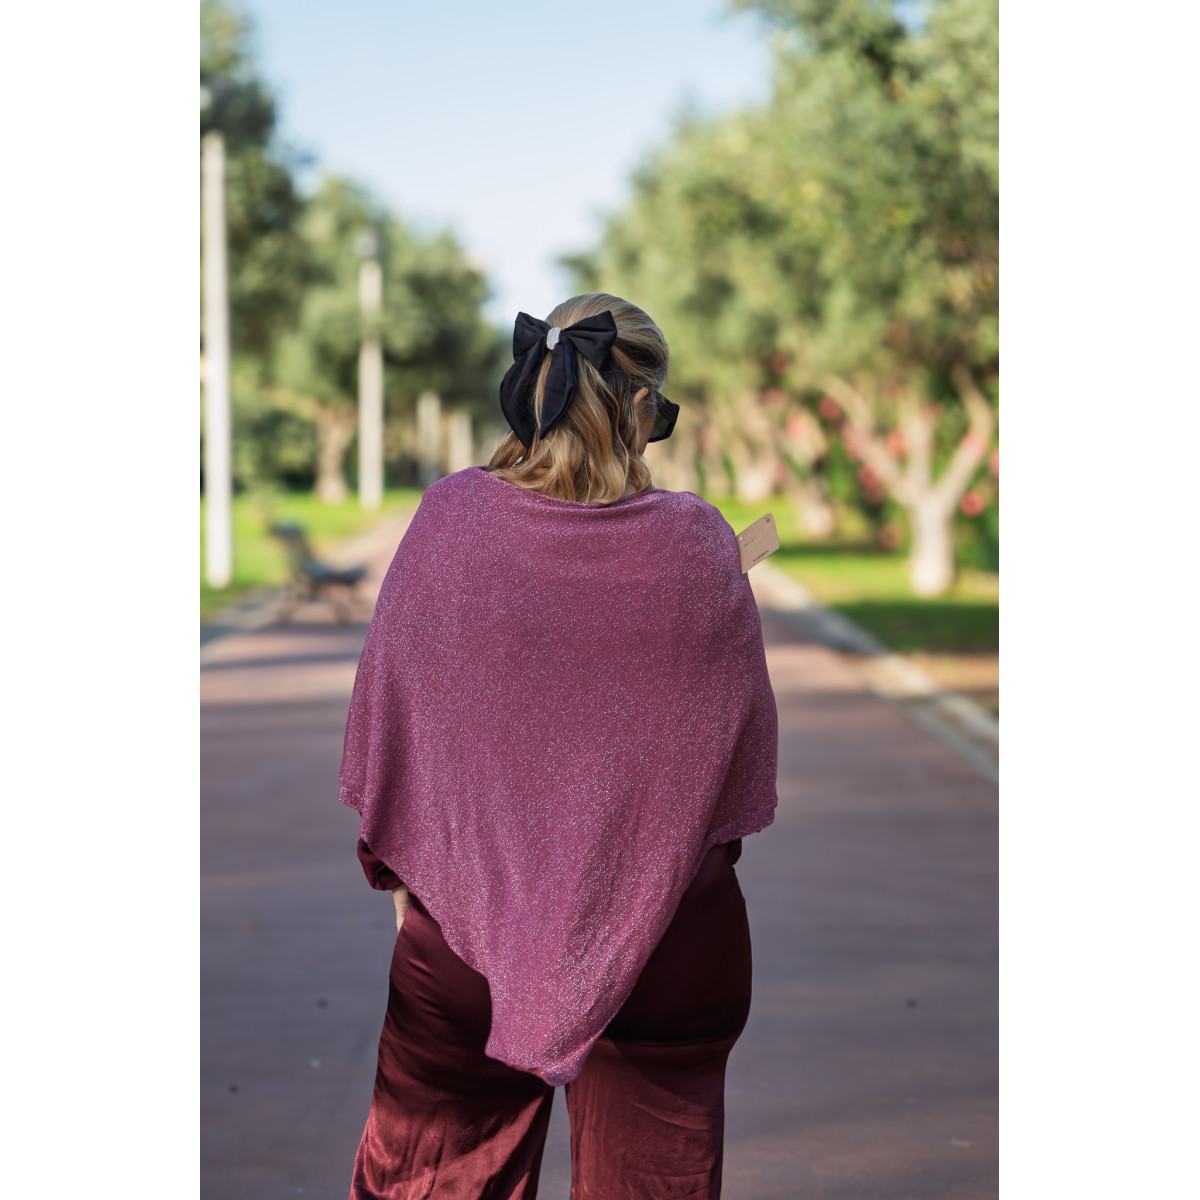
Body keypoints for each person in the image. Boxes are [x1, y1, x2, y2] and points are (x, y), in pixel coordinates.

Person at [338, 292, 779, 1199]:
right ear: (643, 406)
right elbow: (734, 766)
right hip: (670, 945)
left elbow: (392, 718)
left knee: (432, 1179)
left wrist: (411, 879)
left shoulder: (450, 519)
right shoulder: (700, 542)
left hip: (465, 940)